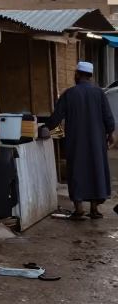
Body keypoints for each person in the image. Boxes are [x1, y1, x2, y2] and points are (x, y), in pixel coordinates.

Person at [40, 61, 115, 220]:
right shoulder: (99, 93)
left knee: (77, 170)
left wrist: (44, 128)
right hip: (96, 140)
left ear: (77, 74)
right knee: (96, 169)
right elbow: (108, 117)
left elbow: (56, 117)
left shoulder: (70, 93)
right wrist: (110, 134)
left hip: (76, 140)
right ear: (91, 75)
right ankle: (94, 209)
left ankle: (79, 209)